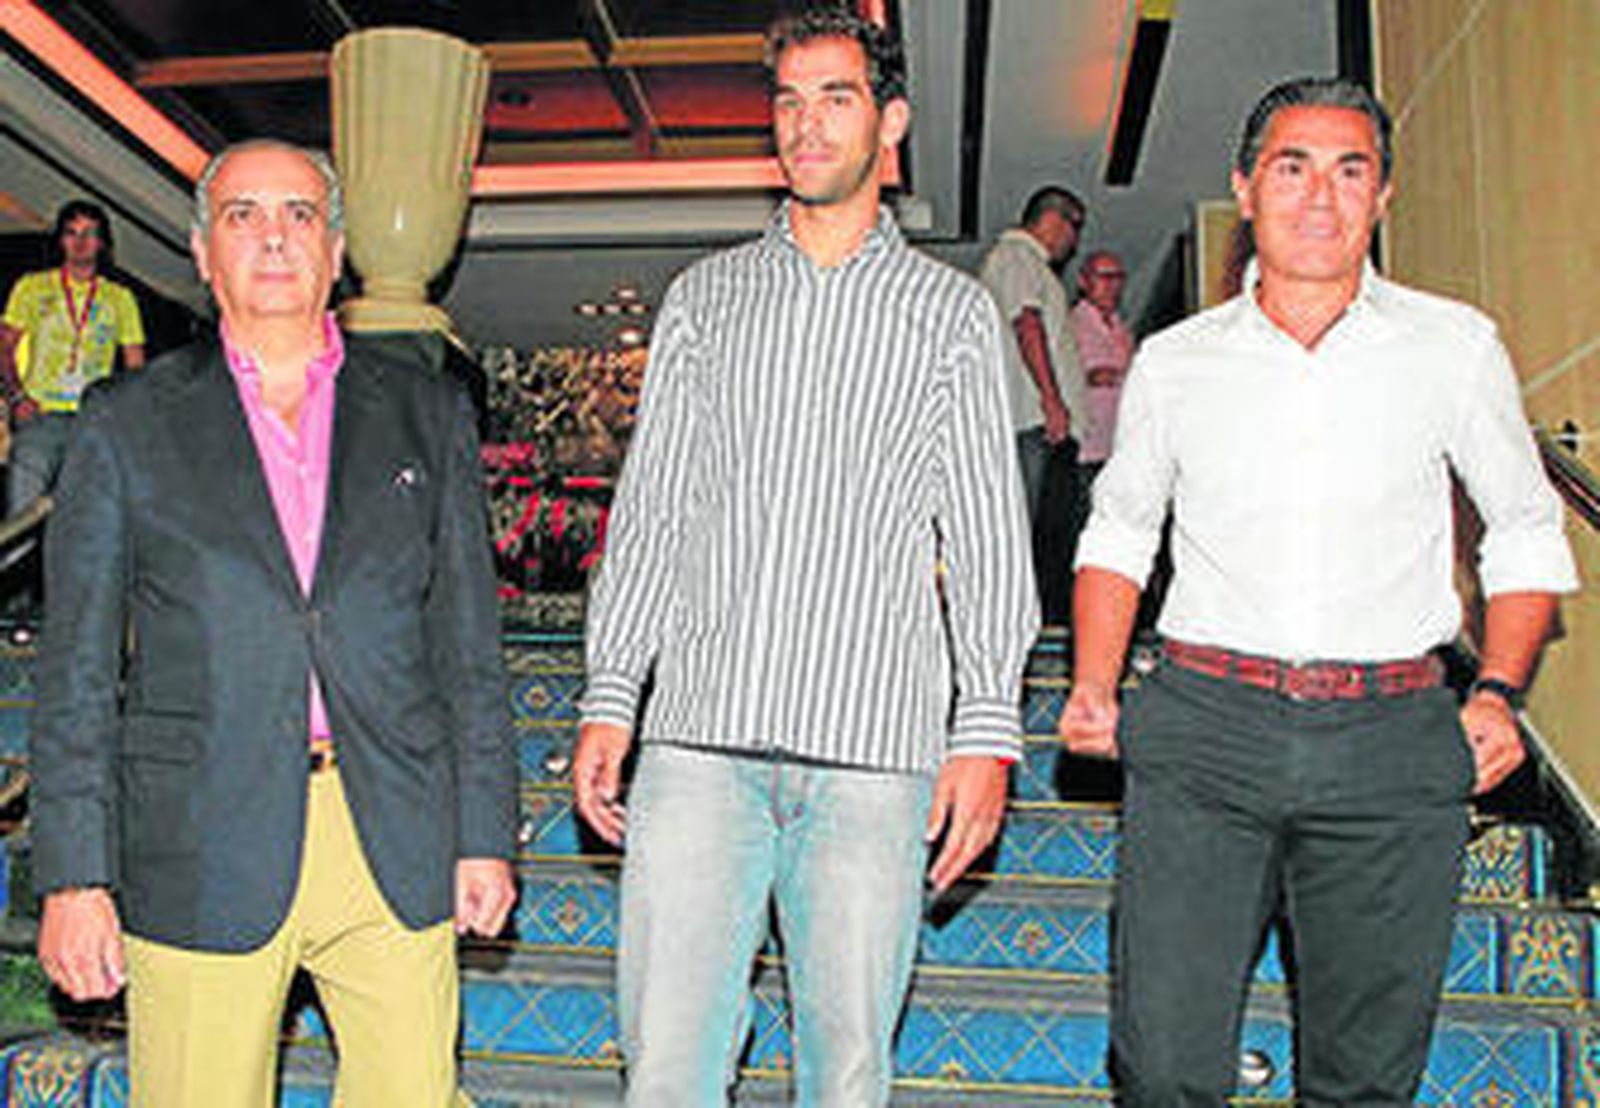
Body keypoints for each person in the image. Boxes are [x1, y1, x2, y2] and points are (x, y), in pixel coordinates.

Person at [1059, 77, 1578, 1106]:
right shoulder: (1175, 363)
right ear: (1246, 187)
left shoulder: (1453, 346)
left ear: (1381, 197)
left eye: (1350, 171)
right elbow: (1119, 528)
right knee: (1161, 1068)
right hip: (1204, 731)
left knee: (1364, 1078)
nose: (1319, 196)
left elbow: (1523, 526)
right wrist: (1093, 683)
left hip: (1391, 739)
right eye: (1291, 168)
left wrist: (1496, 691)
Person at [572, 9, 1037, 1105]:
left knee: (847, 1072)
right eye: (787, 100)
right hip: (697, 743)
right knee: (666, 1066)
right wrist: (611, 691)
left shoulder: (952, 316)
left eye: (836, 97)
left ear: (891, 122)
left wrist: (985, 727)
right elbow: (654, 511)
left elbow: (983, 533)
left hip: (873, 751)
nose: (806, 123)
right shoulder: (706, 299)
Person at [29, 140, 517, 1107]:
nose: (275, 237)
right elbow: (75, 669)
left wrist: (485, 830)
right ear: (202, 253)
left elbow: (467, 646)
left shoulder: (426, 413)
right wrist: (74, 876)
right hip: (200, 834)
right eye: (243, 215)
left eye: (299, 214)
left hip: (393, 829)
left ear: (335, 250)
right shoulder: (125, 421)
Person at [979, 186, 1089, 623]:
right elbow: (1026, 323)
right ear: (1053, 220)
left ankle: (1035, 622)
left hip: (1043, 424)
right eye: (1074, 227)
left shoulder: (1033, 266)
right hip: (1033, 422)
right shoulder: (1015, 257)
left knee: (1051, 538)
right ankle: (1014, 625)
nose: (1074, 241)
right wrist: (1051, 400)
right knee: (1028, 535)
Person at [1, 200, 145, 516]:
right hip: (40, 415)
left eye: (89, 233)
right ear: (61, 240)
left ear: (102, 243)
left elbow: (135, 368)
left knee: (86, 515)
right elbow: (5, 348)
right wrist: (16, 397)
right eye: (71, 233)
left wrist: (124, 418)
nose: (80, 242)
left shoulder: (120, 298)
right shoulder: (32, 286)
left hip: (93, 421)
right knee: (23, 510)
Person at [1068, 249, 1134, 479]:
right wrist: (1087, 377)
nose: (1111, 285)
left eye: (1118, 277)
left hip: (1119, 443)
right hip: (1085, 446)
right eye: (1104, 277)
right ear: (1083, 281)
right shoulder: (1071, 324)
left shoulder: (1121, 327)